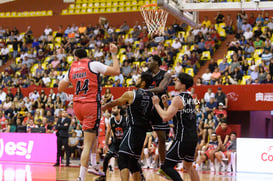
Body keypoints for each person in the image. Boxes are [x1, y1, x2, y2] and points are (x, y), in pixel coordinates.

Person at [58, 43, 120, 181]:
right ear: (86, 56)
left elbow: (60, 88)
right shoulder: (93, 64)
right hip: (90, 105)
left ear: (75, 57)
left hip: (77, 106)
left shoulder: (71, 68)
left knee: (93, 133)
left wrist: (73, 80)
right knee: (88, 142)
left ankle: (94, 164)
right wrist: (114, 54)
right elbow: (116, 71)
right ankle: (81, 176)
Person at [102, 72, 154, 181]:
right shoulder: (152, 96)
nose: (136, 79)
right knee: (133, 162)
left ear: (143, 82)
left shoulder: (132, 94)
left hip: (133, 129)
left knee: (122, 158)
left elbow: (115, 102)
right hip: (143, 132)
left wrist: (103, 107)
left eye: (139, 78)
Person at [152, 72, 199, 181]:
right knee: (189, 167)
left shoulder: (178, 98)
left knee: (165, 167)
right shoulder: (190, 98)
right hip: (192, 138)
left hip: (182, 138)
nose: (175, 82)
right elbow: (179, 115)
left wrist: (156, 104)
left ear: (183, 84)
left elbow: (165, 118)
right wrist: (166, 106)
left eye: (177, 80)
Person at [147, 55, 171, 169]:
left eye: (150, 60)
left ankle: (163, 166)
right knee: (139, 137)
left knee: (162, 139)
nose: (147, 63)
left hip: (159, 109)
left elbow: (161, 88)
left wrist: (145, 90)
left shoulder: (166, 74)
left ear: (156, 62)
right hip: (146, 108)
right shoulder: (145, 75)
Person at [95, 106, 128, 181]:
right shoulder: (111, 120)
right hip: (115, 143)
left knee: (130, 160)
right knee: (107, 157)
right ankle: (103, 176)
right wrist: (106, 145)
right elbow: (108, 132)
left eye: (114, 108)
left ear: (119, 110)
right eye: (112, 108)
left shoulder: (125, 119)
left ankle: (141, 175)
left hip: (124, 143)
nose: (112, 110)